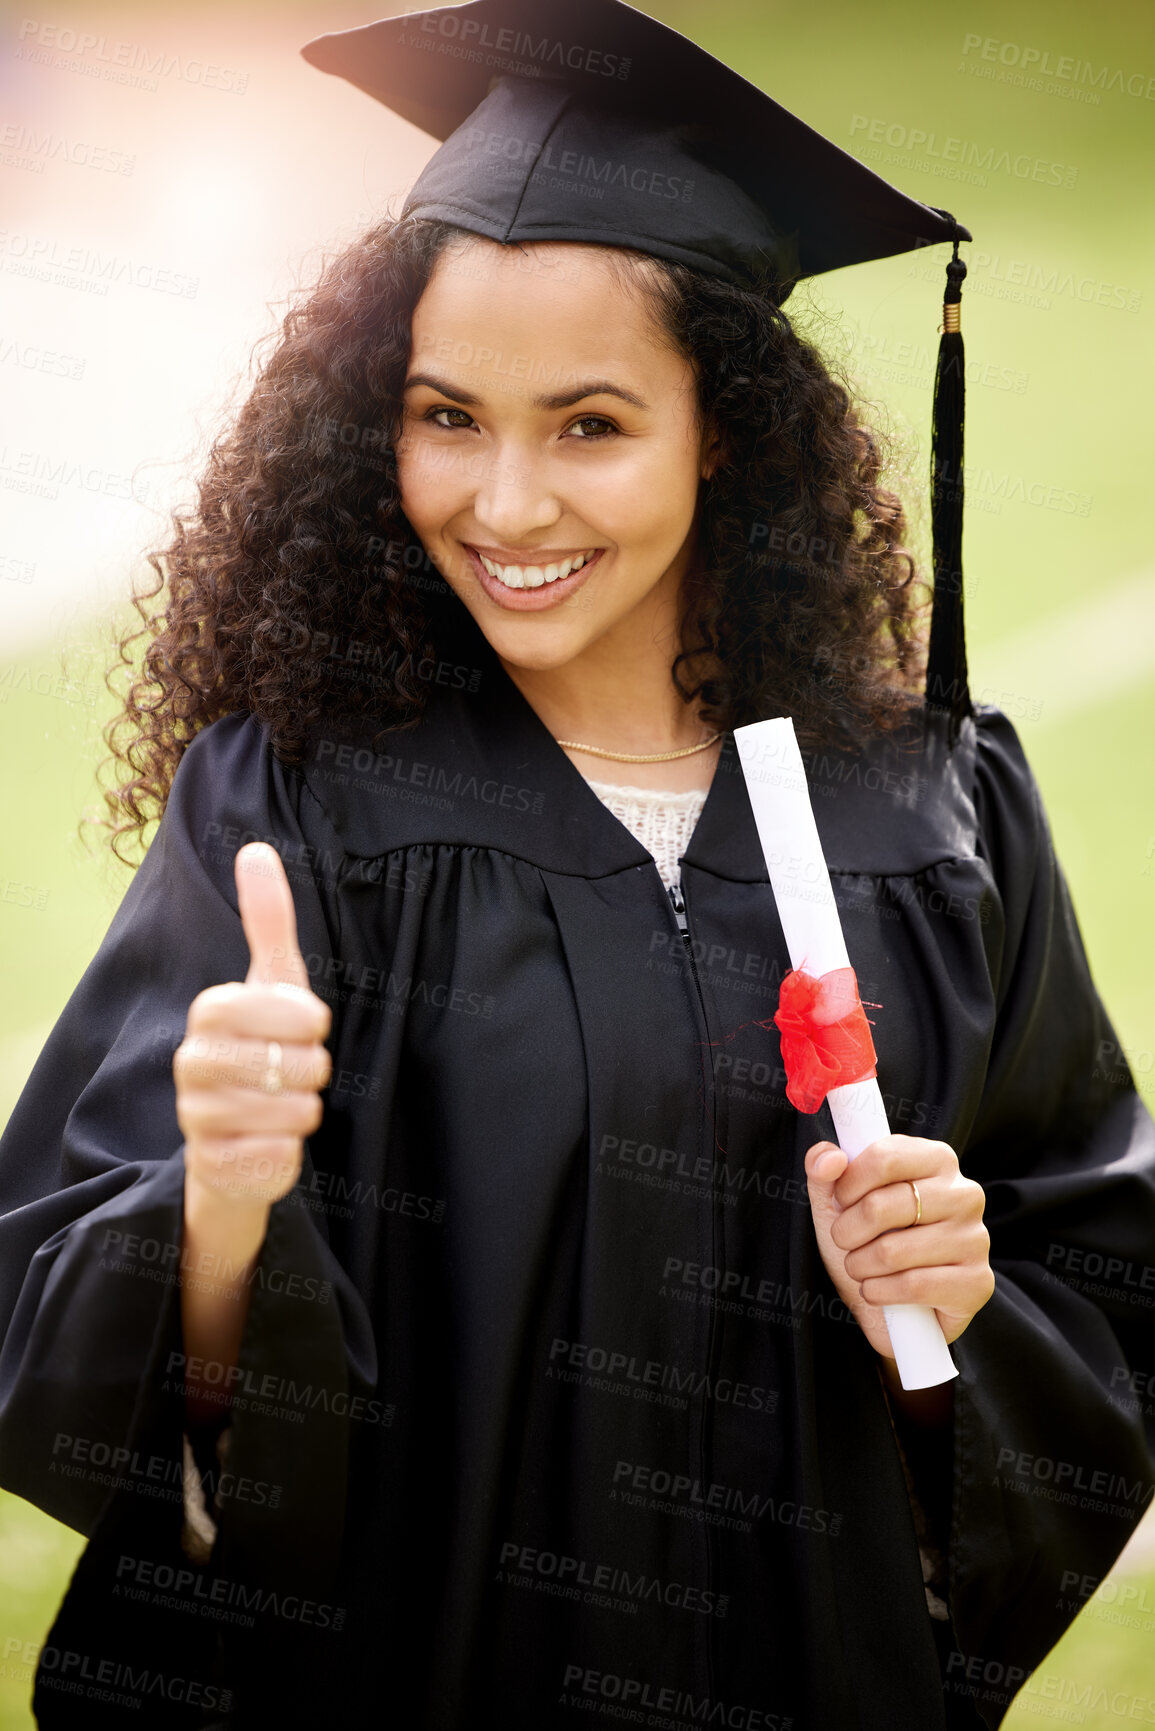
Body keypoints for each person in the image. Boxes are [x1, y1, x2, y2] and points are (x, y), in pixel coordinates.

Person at [1, 3, 1152, 1728]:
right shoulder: (300, 812)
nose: (507, 503)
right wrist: (219, 1209)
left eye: (591, 425)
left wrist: (949, 1327)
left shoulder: (935, 817)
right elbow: (85, 1374)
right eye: (446, 415)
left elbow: (1095, 1322)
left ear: (728, 437)